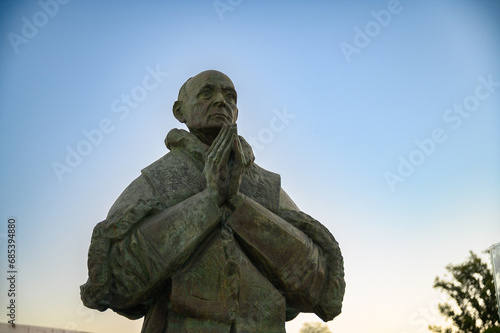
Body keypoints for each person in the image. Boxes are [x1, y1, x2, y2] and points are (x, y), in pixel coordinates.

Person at [81, 70, 345, 333]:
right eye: (207, 93)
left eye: (230, 96)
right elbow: (116, 282)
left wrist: (240, 207)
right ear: (179, 111)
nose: (221, 101)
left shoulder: (266, 186)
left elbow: (316, 286)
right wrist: (207, 203)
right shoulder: (157, 181)